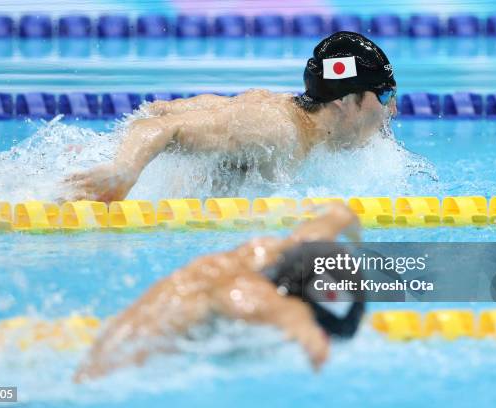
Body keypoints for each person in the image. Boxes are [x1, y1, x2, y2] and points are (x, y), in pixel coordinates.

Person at [63, 32, 397, 202]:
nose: (392, 110)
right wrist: (123, 169)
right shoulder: (277, 131)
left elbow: (164, 109)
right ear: (343, 100)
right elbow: (160, 125)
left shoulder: (293, 122)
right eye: (384, 96)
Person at [74, 203, 365, 382]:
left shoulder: (287, 253)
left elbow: (335, 214)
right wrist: (300, 326)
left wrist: (346, 222)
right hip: (111, 379)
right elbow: (237, 295)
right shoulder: (253, 289)